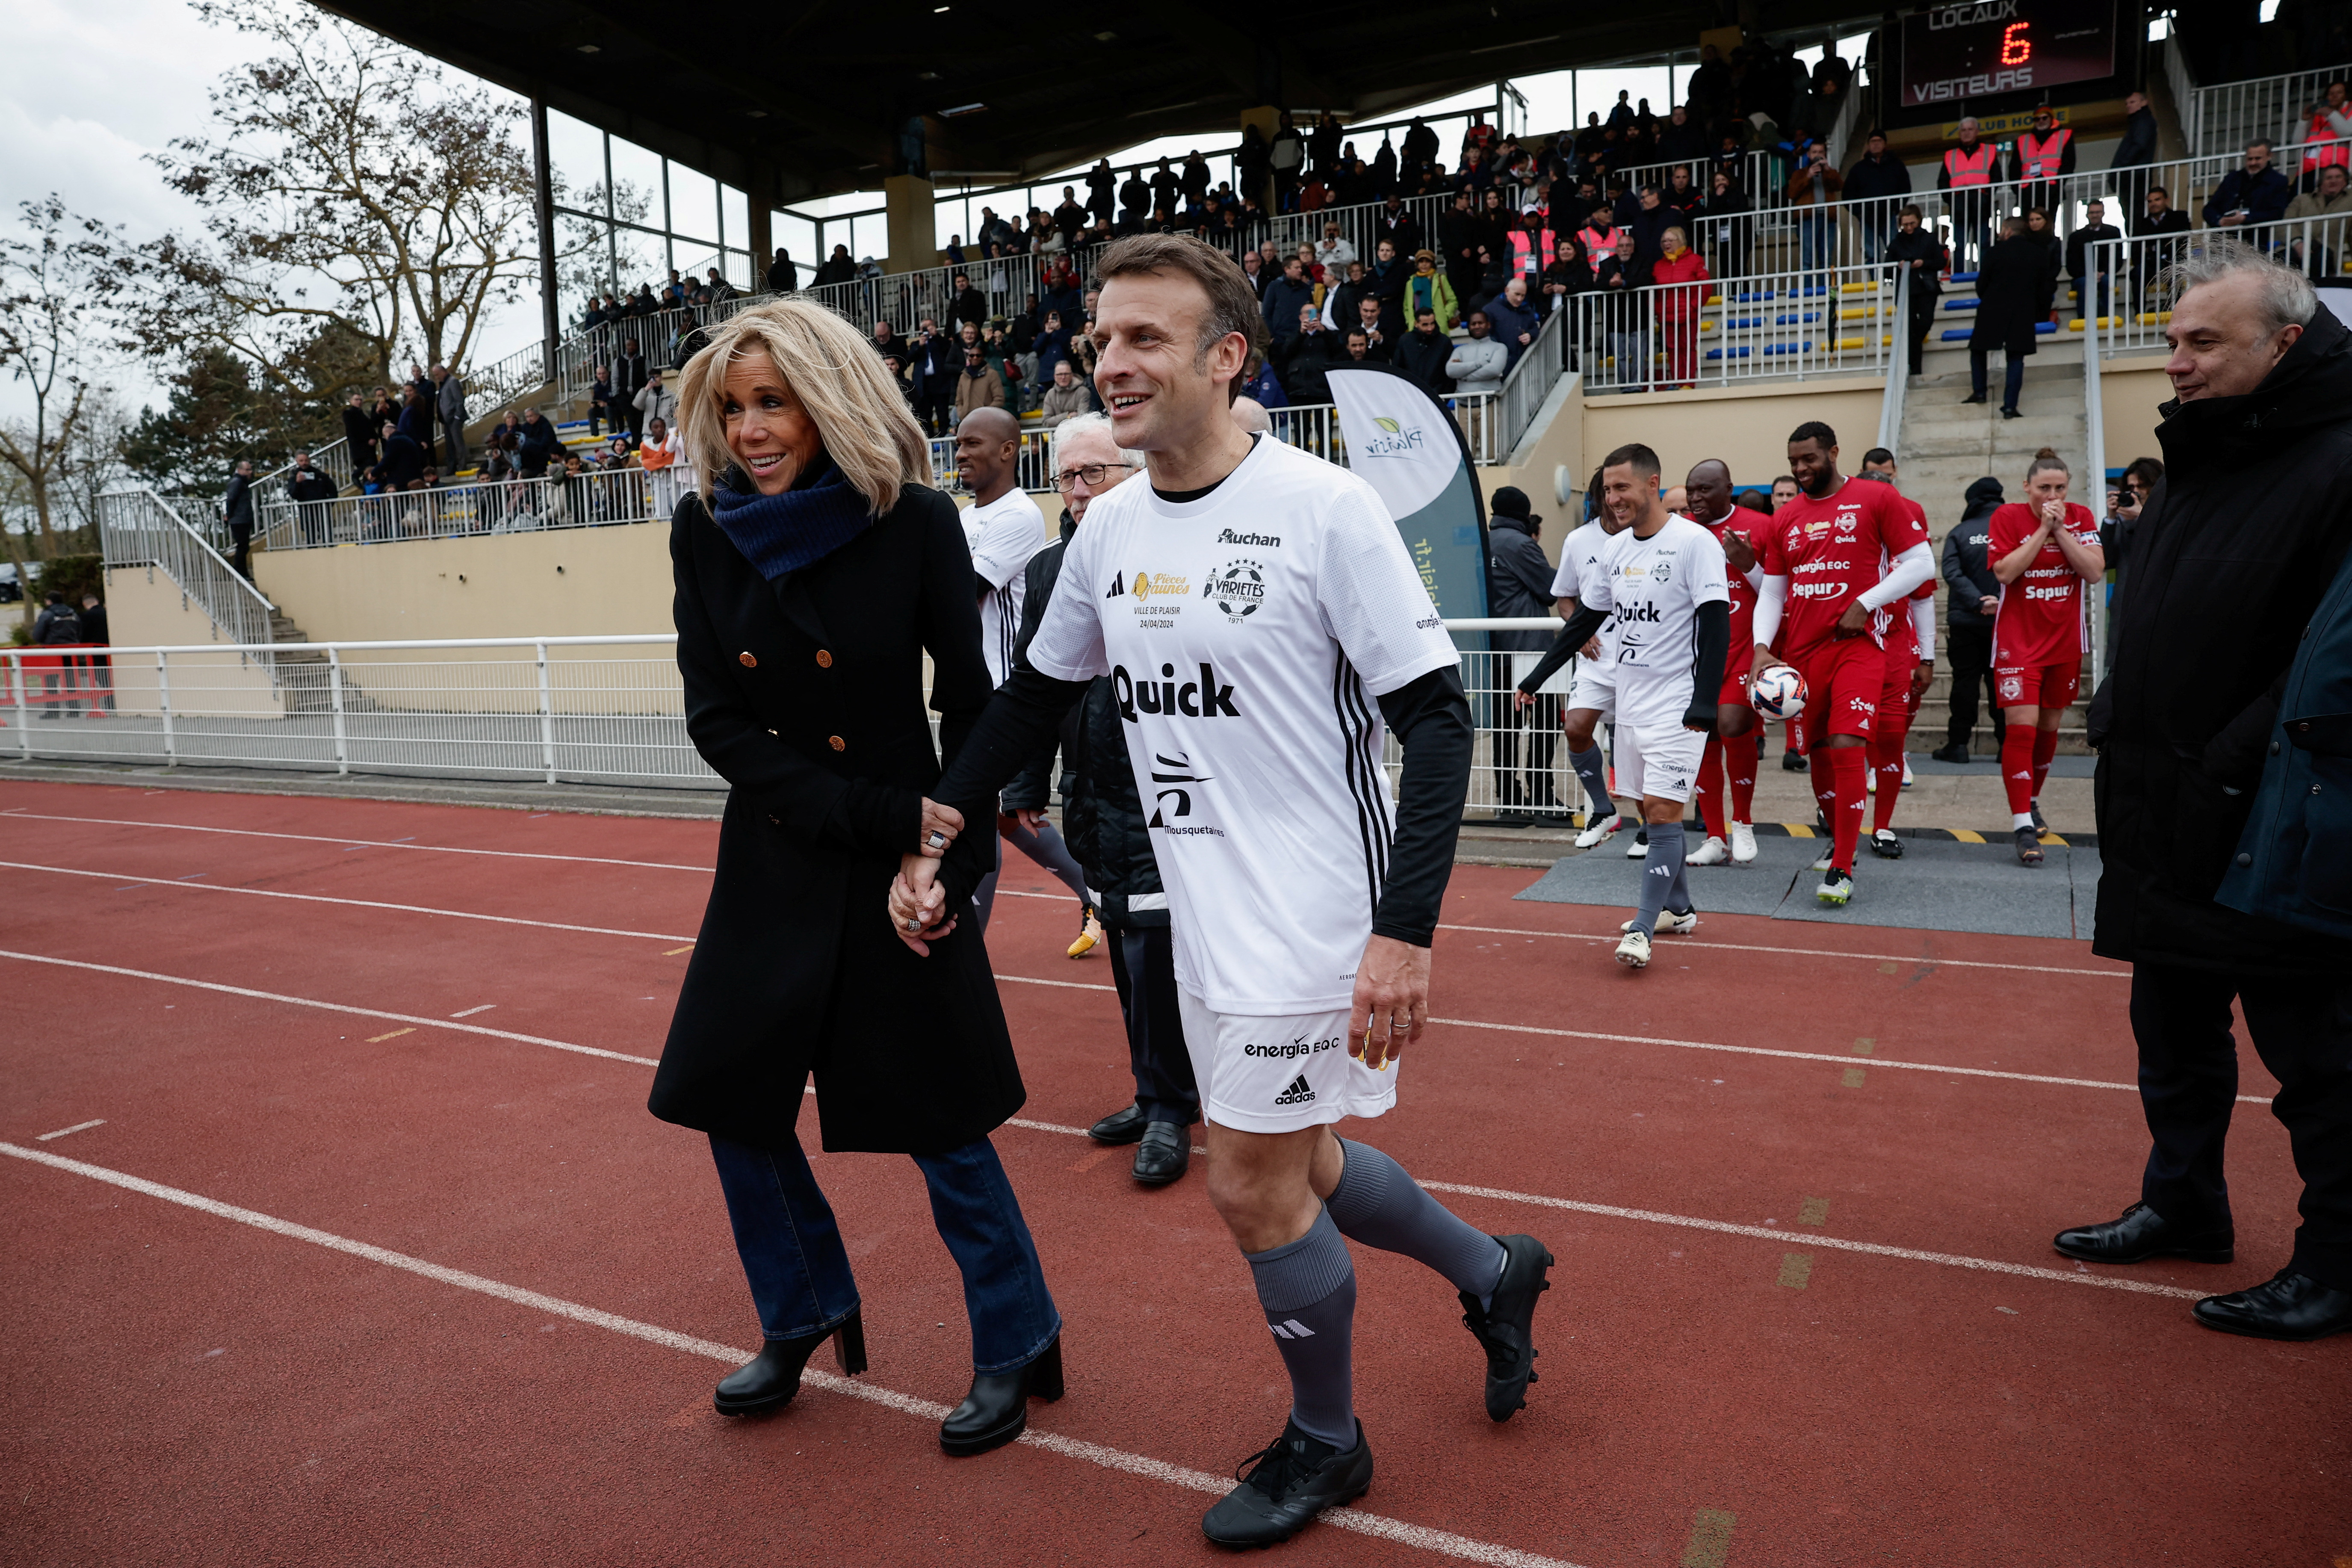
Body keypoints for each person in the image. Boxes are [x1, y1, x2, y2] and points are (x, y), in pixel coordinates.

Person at [896, 232, 1554, 1548]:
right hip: (1204, 912)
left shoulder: (1325, 510)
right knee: (1301, 1157)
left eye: (1147, 336)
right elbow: (1037, 692)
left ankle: (1329, 1442)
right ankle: (1494, 1268)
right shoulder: (1111, 528)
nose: (1112, 357)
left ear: (1226, 357)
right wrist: (945, 821)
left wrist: (1403, 933)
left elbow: (1436, 723)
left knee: (1250, 1184)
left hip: (1312, 915)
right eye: (1103, 333)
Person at [652, 298, 1062, 1451]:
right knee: (731, 1099)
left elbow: (973, 703)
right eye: (731, 409)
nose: (750, 430)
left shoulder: (914, 520)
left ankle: (1017, 1336)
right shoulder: (703, 531)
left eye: (772, 402)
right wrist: (879, 816)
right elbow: (716, 721)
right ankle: (803, 1311)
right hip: (785, 850)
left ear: (827, 403)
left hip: (908, 863)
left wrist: (944, 855)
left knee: (941, 1117)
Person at [2065, 239, 2352, 1344]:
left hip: (2272, 813)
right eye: (2172, 340)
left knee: (2316, 1057)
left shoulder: (2334, 460)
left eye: (2202, 342)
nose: (2175, 363)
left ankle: (2333, 1261)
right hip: (2161, 798)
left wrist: (2228, 756)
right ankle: (2182, 1200)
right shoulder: (2203, 452)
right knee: (2169, 1025)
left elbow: (2322, 654)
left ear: (2284, 344)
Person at [1008, 412, 1200, 1181]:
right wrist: (1025, 779)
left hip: (1174, 788)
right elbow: (1035, 681)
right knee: (1127, 941)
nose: (1080, 492)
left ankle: (1169, 1105)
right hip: (1095, 790)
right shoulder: (1052, 568)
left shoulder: (1176, 550)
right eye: (1068, 477)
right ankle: (1160, 1090)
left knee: (1157, 947)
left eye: (1096, 473)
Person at [1516, 446, 1729, 966]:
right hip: (1630, 702)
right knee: (1650, 810)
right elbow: (1585, 618)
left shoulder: (1694, 543)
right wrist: (1538, 677)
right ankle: (1677, 908)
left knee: (1660, 810)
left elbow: (1716, 623)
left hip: (1678, 704)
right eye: (1607, 491)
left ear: (1652, 483)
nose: (1612, 500)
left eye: (1621, 489)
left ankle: (1642, 929)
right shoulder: (1614, 552)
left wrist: (1705, 701)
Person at [1748, 422, 1933, 905]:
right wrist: (1762, 648)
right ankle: (1837, 838)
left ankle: (1842, 867)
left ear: (1833, 452)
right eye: (1793, 462)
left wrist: (1866, 602)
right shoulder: (1785, 518)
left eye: (1809, 459)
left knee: (1849, 743)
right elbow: (1772, 591)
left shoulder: (1875, 498)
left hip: (1859, 647)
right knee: (1821, 756)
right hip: (1804, 656)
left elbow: (1920, 565)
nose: (1800, 469)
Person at [1987, 448, 2103, 864]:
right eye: (2043, 488)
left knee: (2048, 728)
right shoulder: (2006, 518)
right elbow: (2004, 572)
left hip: (2063, 643)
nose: (2051, 495)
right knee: (2021, 728)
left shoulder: (2082, 517)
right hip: (2018, 643)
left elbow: (2093, 571)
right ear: (2027, 487)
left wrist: (2061, 531)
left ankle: (2031, 798)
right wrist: (2041, 531)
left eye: (2059, 488)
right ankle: (2021, 823)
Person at [1680, 460, 1771, 865]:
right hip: (1696, 654)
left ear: (1729, 488)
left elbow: (1778, 591)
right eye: (1691, 490)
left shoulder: (1760, 525)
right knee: (1703, 738)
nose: (1697, 498)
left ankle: (1744, 823)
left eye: (1706, 490)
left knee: (1734, 724)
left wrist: (1747, 563)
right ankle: (1715, 838)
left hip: (1744, 649)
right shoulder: (1682, 532)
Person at [1853, 462, 1938, 859]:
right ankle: (1839, 813)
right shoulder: (1844, 534)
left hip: (1896, 652)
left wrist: (1929, 655)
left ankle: (1883, 826)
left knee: (1890, 741)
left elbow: (1922, 599)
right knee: (1846, 742)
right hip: (1848, 652)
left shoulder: (1910, 527)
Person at [1484, 486, 1568, 826]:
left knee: (1506, 727)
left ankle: (1509, 795)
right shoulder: (1520, 544)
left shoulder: (1483, 539)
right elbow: (1551, 589)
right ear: (1524, 512)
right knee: (1546, 724)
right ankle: (1542, 794)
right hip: (1531, 649)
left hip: (1495, 648)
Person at [1933, 476, 2008, 764]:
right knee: (2000, 682)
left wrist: (1977, 602)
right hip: (2003, 621)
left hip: (1965, 620)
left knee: (1964, 682)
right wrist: (1998, 603)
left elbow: (1952, 573)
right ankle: (2006, 746)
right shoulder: (2014, 530)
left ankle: (1958, 744)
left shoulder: (1960, 532)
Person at [1965, 218, 2042, 418]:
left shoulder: (1995, 252)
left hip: (1993, 307)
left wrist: (1989, 298)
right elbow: (2043, 284)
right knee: (2016, 357)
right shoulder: (2037, 252)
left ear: (2008, 231)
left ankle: (1980, 391)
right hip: (2023, 310)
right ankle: (2010, 405)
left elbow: (1982, 283)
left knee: (1978, 349)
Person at [1887, 205, 1947, 377]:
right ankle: (1915, 368)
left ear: (1919, 221)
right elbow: (1886, 269)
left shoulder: (1929, 239)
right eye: (1905, 225)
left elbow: (1940, 262)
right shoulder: (1896, 243)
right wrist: (1898, 266)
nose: (1909, 228)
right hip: (1906, 290)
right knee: (1911, 328)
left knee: (1925, 321)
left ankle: (1911, 353)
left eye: (1912, 223)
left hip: (1927, 287)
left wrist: (1923, 263)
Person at [1938, 117, 2000, 274]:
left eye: (1970, 129)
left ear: (1977, 131)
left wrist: (1987, 197)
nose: (1966, 133)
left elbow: (1997, 178)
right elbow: (1943, 182)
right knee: (1959, 244)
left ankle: (1985, 273)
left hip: (1981, 203)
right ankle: (1958, 274)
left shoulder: (1989, 151)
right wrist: (1952, 200)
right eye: (1963, 130)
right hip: (1959, 205)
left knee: (1984, 243)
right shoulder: (1950, 155)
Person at [1650, 227, 1709, 389]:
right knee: (1672, 349)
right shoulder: (1658, 265)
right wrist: (1658, 310)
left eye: (1670, 240)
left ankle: (1688, 382)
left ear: (1680, 241)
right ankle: (1677, 381)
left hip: (1688, 313)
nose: (1667, 244)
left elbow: (1705, 287)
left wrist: (1693, 307)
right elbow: (1654, 292)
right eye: (1664, 241)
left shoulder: (1695, 260)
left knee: (1688, 347)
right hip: (1667, 314)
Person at [1843, 130, 1911, 262]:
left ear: (1885, 144)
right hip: (1867, 219)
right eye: (1873, 142)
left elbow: (1905, 188)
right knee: (1871, 253)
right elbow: (1848, 194)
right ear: (1868, 145)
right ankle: (1875, 282)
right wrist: (1860, 213)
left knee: (1895, 250)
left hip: (1889, 216)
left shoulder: (1896, 165)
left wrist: (1896, 209)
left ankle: (1896, 280)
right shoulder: (1859, 169)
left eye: (1879, 141)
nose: (1876, 145)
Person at [2205, 140, 2293, 231]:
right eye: (2250, 159)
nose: (2253, 163)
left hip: (2257, 235)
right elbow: (2210, 208)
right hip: (2226, 234)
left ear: (2269, 156)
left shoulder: (2278, 181)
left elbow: (2277, 213)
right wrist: (2219, 221)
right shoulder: (2232, 178)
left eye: (2258, 159)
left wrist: (2245, 219)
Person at [2014, 106, 2075, 224]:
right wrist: (2018, 190)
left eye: (2044, 118)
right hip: (2028, 190)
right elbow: (2014, 168)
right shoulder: (2023, 140)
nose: (2041, 121)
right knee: (2028, 226)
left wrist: (2058, 184)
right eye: (2037, 119)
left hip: (2051, 188)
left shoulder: (2064, 135)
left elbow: (2069, 163)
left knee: (2048, 224)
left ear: (2051, 119)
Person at [2065, 200, 2124, 322]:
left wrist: (2103, 272)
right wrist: (2089, 274)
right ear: (2087, 215)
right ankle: (2083, 318)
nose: (2095, 215)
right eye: (2092, 212)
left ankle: (2107, 317)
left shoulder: (2113, 233)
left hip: (2106, 274)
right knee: (2084, 282)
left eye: (2098, 212)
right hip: (2082, 276)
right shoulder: (2076, 237)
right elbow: (2072, 264)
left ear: (2103, 213)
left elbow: (2117, 259)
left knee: (2107, 281)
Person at [1392, 307, 1454, 397]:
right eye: (1425, 325)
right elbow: (1398, 370)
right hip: (1411, 395)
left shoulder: (1444, 342)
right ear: (1416, 324)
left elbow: (1449, 375)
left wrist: (1442, 396)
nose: (1430, 328)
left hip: (1438, 396)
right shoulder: (1405, 341)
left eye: (1432, 323)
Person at [1444, 310, 1506, 394]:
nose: (1477, 326)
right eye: (1473, 324)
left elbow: (1494, 370)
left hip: (1491, 403)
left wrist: (1465, 377)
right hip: (1463, 404)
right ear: (1469, 327)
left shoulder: (1499, 347)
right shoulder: (1460, 351)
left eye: (1481, 323)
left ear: (1488, 325)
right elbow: (1451, 371)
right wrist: (1479, 364)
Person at [287, 449, 338, 547]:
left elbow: (333, 491)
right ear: (297, 462)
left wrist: (328, 505)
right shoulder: (294, 476)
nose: (304, 463)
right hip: (307, 511)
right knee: (311, 538)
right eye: (301, 461)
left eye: (306, 460)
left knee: (327, 537)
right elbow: (293, 494)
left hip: (322, 510)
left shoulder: (320, 475)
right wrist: (298, 483)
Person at [222, 459, 257, 578]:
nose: (250, 472)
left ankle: (241, 571)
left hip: (243, 518)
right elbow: (231, 499)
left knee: (244, 545)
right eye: (247, 470)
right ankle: (240, 571)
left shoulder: (242, 483)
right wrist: (229, 515)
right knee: (243, 545)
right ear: (239, 470)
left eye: (250, 470)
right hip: (239, 519)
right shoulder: (237, 482)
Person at [432, 363, 468, 472]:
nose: (437, 377)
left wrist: (458, 416)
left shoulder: (452, 381)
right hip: (447, 419)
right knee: (450, 445)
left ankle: (462, 466)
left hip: (454, 418)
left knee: (458, 443)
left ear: (444, 371)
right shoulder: (443, 384)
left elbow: (459, 400)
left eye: (438, 374)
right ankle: (451, 467)